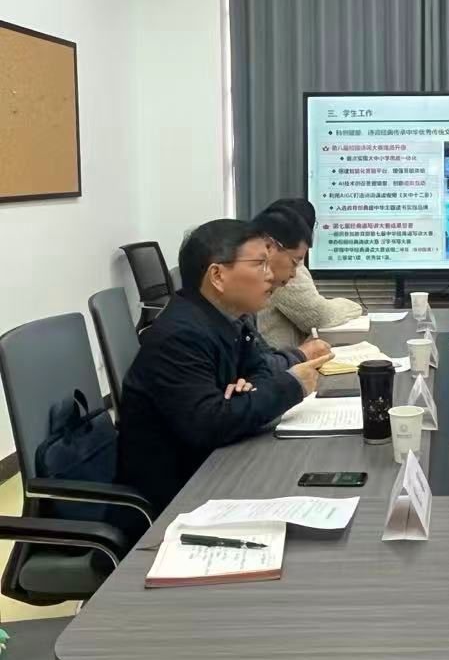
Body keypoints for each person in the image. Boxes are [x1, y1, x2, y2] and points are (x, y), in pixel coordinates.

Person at [118, 219, 333, 512]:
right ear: (218, 276)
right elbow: (209, 424)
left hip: (218, 465)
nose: (272, 276)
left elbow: (256, 371)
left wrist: (248, 392)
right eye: (260, 264)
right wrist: (292, 385)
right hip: (177, 497)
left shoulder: (230, 318)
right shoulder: (180, 335)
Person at [257, 198, 363, 348]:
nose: (292, 274)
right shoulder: (279, 268)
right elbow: (319, 315)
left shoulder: (281, 263)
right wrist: (354, 307)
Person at [250, 206, 332, 370]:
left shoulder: (243, 317)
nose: (294, 275)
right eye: (294, 262)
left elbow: (260, 363)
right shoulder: (207, 325)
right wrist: (301, 355)